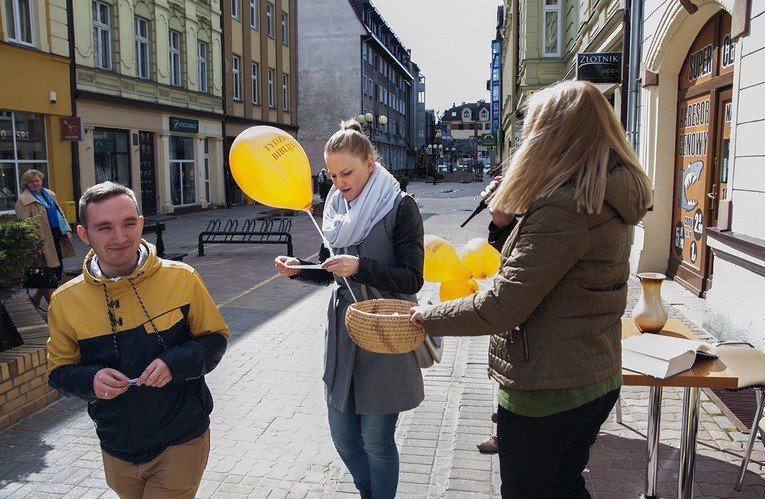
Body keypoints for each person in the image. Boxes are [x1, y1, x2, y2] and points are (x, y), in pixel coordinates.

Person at [410, 80, 654, 498]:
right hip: (593, 372)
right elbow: (551, 270)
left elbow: (504, 305)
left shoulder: (566, 204)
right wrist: (504, 223)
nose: (525, 142)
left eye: (532, 131)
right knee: (563, 485)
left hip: (549, 387)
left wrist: (424, 317)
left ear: (553, 136)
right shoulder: (606, 192)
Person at [46, 181, 229, 499]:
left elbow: (215, 340)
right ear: (84, 234)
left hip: (181, 438)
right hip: (116, 445)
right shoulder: (64, 301)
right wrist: (92, 379)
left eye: (129, 223)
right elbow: (58, 373)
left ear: (141, 223)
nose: (120, 237)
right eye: (105, 228)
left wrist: (174, 363)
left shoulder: (182, 278)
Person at [274, 119, 425, 499]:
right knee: (343, 438)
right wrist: (299, 270)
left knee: (376, 441)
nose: (339, 183)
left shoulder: (399, 206)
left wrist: (360, 266)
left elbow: (412, 278)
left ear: (370, 164)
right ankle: (368, 490)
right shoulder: (336, 209)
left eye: (347, 173)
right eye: (332, 174)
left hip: (386, 332)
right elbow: (330, 273)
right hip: (344, 336)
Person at [15, 169, 76, 310]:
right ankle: (55, 310)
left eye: (37, 180)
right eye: (31, 182)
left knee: (50, 273)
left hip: (56, 239)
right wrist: (34, 246)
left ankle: (35, 302)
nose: (35, 184)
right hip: (42, 243)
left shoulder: (49, 194)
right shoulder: (23, 201)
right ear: (26, 184)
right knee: (49, 275)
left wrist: (66, 229)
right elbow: (25, 227)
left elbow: (60, 212)